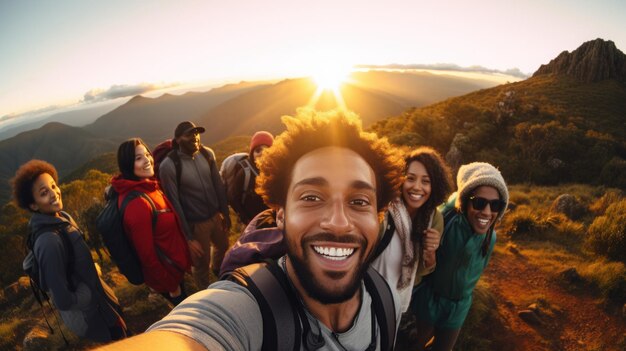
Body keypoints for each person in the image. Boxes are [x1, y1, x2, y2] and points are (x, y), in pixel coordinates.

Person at [98, 109, 405, 350]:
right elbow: (192, 333)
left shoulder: (383, 298)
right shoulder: (247, 309)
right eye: (311, 197)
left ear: (378, 215)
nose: (338, 221)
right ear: (280, 215)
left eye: (359, 200)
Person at [12, 160, 127, 342]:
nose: (54, 194)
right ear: (33, 205)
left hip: (103, 303)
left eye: (53, 186)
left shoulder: (63, 217)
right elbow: (63, 300)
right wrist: (88, 292)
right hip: (93, 316)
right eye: (44, 193)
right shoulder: (48, 242)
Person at [411, 162, 509, 351]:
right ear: (465, 202)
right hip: (429, 300)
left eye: (495, 205)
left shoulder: (491, 236)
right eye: (479, 203)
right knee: (414, 345)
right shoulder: (445, 222)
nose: (487, 212)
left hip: (459, 308)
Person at [371, 147, 453, 313]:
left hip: (396, 302)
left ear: (435, 185)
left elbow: (422, 272)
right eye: (410, 178)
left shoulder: (433, 219)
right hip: (366, 293)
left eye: (425, 181)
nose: (417, 187)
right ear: (400, 179)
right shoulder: (384, 209)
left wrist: (430, 253)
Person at [111, 138, 191, 305]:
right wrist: (170, 284)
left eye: (147, 154)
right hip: (168, 277)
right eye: (138, 158)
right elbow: (146, 256)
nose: (147, 160)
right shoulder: (137, 204)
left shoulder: (149, 186)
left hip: (175, 267)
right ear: (127, 164)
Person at [159, 121, 231, 289]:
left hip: (215, 215)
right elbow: (174, 203)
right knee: (201, 263)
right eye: (189, 134)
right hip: (196, 225)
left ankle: (218, 270)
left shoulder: (207, 154)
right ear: (177, 140)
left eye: (197, 133)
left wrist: (225, 213)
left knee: (223, 246)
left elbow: (218, 185)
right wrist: (189, 238)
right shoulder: (169, 166)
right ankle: (205, 295)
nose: (195, 137)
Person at [227, 131, 274, 225]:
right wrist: (245, 220)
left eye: (267, 150)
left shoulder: (276, 169)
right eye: (258, 150)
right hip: (253, 223)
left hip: (276, 219)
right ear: (252, 153)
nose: (262, 153)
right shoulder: (245, 173)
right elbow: (233, 198)